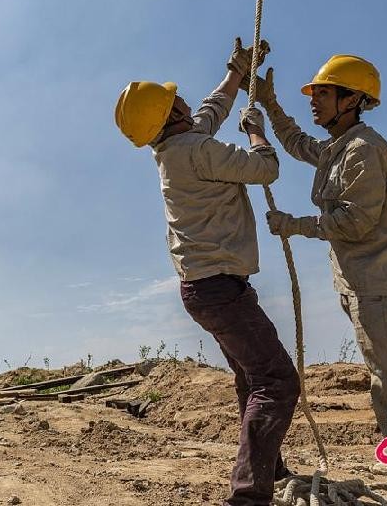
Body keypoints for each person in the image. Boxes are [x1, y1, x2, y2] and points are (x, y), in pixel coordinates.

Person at [255, 56, 387, 505]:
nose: (314, 101)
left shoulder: (363, 151)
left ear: (352, 100)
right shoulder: (341, 147)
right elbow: (296, 143)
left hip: (378, 293)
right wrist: (269, 104)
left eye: (324, 94)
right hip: (367, 291)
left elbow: (356, 222)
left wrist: (294, 224)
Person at [114, 39, 300, 506]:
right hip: (221, 289)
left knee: (251, 376)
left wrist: (238, 72)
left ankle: (269, 471)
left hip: (206, 288)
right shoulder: (197, 152)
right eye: (174, 99)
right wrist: (257, 130)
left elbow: (211, 109)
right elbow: (266, 169)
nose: (183, 98)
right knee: (276, 382)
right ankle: (248, 495)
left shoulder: (177, 146)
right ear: (170, 113)